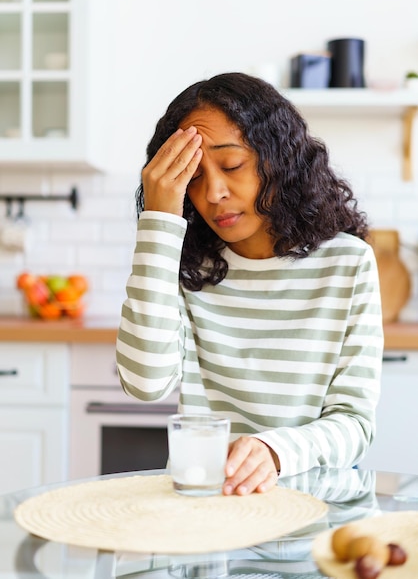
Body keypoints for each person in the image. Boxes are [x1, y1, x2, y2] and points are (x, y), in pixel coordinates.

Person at [116, 72, 383, 496]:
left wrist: (273, 451)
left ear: (278, 158)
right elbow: (145, 384)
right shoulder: (187, 264)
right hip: (205, 507)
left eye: (232, 165)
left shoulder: (346, 264)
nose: (214, 193)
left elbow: (355, 424)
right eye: (194, 178)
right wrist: (158, 221)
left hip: (309, 514)